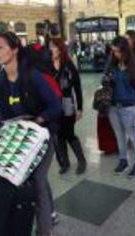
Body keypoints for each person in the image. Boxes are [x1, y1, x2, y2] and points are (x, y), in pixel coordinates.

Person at [0, 31, 62, 236]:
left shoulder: (33, 75)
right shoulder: (0, 80)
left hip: (43, 134)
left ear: (14, 50)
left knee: (37, 180)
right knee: (35, 179)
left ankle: (44, 231)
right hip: (20, 136)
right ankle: (50, 214)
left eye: (1, 47)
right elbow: (3, 113)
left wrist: (37, 121)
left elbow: (55, 106)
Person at [106, 36, 135, 178]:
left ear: (125, 50)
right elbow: (103, 80)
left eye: (118, 51)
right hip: (112, 106)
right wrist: (107, 78)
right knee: (119, 136)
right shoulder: (112, 64)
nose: (115, 54)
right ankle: (123, 160)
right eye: (113, 51)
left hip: (128, 107)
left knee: (134, 137)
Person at [49, 38, 87, 175]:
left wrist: (80, 108)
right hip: (52, 105)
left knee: (69, 134)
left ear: (60, 49)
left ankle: (81, 161)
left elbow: (77, 87)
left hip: (67, 104)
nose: (51, 49)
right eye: (50, 47)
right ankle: (65, 163)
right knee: (59, 136)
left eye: (53, 47)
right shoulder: (47, 65)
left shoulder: (68, 65)